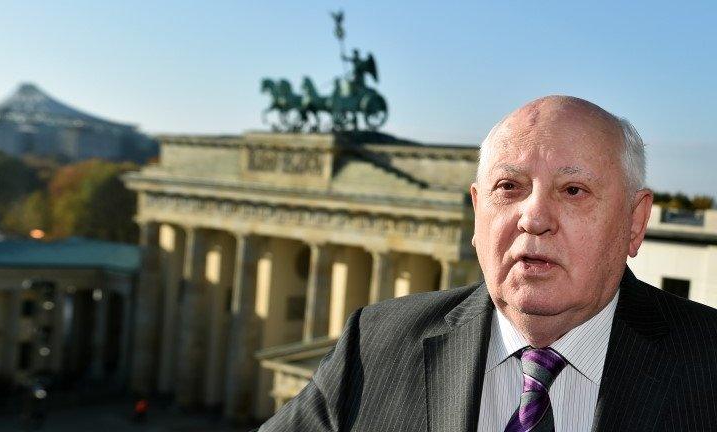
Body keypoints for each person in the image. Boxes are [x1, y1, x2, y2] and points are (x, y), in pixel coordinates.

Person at [258, 96, 717, 431]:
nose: (533, 218)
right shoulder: (374, 345)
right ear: (477, 214)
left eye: (573, 191)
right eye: (509, 187)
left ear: (634, 223)